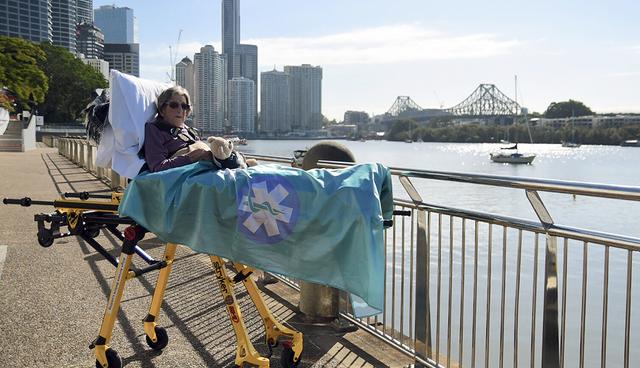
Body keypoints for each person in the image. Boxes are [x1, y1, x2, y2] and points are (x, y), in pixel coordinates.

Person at [143, 86, 245, 172]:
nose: (180, 110)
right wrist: (191, 157)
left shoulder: (187, 130)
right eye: (174, 105)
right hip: (191, 177)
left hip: (209, 168)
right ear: (162, 109)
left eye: (184, 106)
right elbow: (157, 167)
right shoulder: (155, 130)